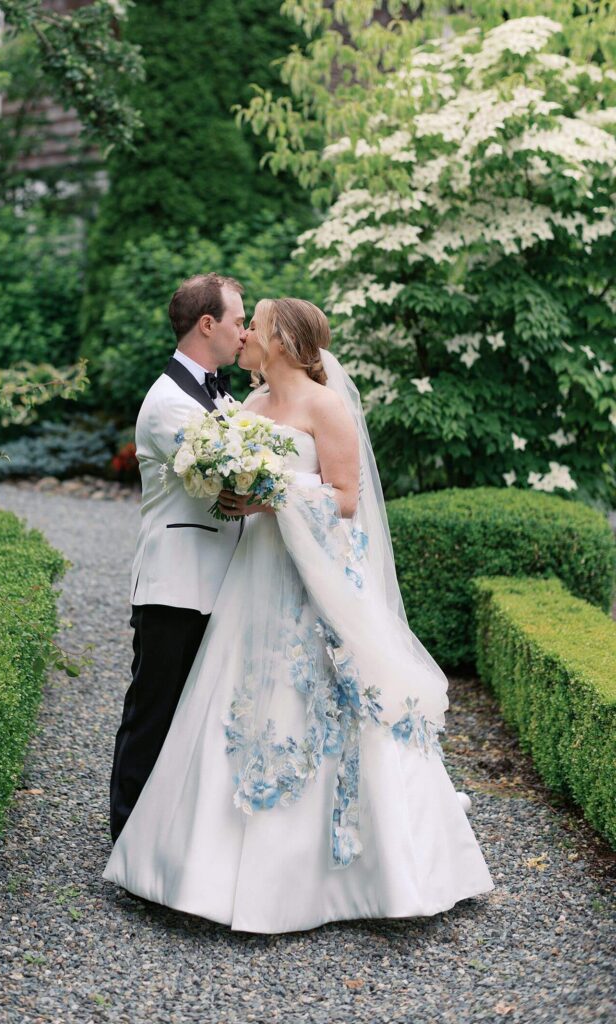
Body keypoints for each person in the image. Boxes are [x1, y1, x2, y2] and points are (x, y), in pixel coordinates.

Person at [104, 297, 494, 933]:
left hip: (313, 576)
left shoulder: (324, 405)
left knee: (328, 702)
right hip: (253, 576)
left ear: (282, 340)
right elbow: (232, 486)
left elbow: (345, 498)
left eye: (255, 324)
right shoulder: (247, 410)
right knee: (236, 698)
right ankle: (198, 867)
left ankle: (370, 872)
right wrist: (233, 496)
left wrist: (270, 493)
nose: (248, 333)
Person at [108, 273, 247, 844]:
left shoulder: (224, 395)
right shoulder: (168, 403)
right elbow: (227, 483)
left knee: (198, 717)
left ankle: (177, 841)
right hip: (175, 585)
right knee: (154, 713)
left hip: (219, 583)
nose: (245, 332)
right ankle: (128, 840)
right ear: (207, 324)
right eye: (238, 321)